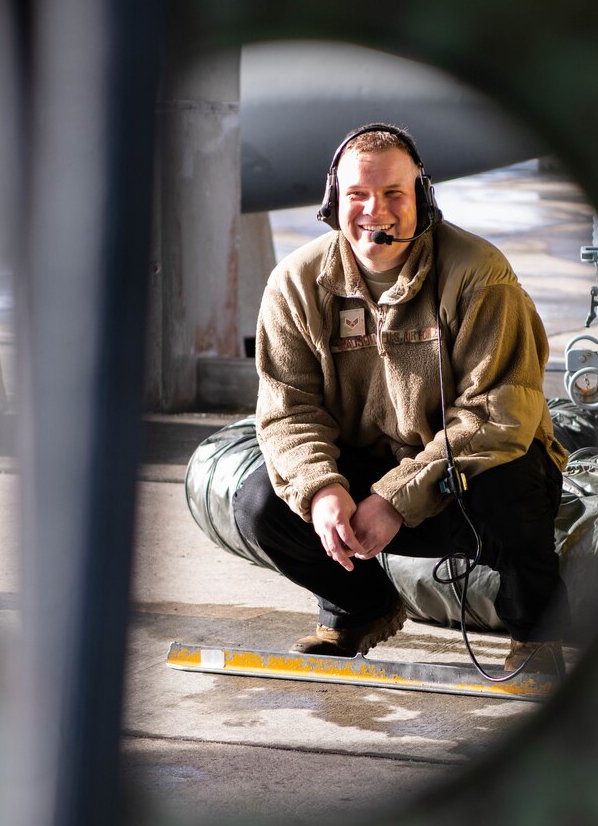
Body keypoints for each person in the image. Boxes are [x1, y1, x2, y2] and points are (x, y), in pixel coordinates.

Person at [234, 122, 568, 670]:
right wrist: (322, 489)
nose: (376, 211)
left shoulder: (479, 275)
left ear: (423, 197)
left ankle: (536, 632)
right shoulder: (295, 283)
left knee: (515, 481)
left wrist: (396, 498)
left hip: (460, 483)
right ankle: (360, 609)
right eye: (358, 194)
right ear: (333, 201)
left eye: (394, 193)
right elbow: (288, 411)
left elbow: (497, 415)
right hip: (364, 479)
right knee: (259, 505)